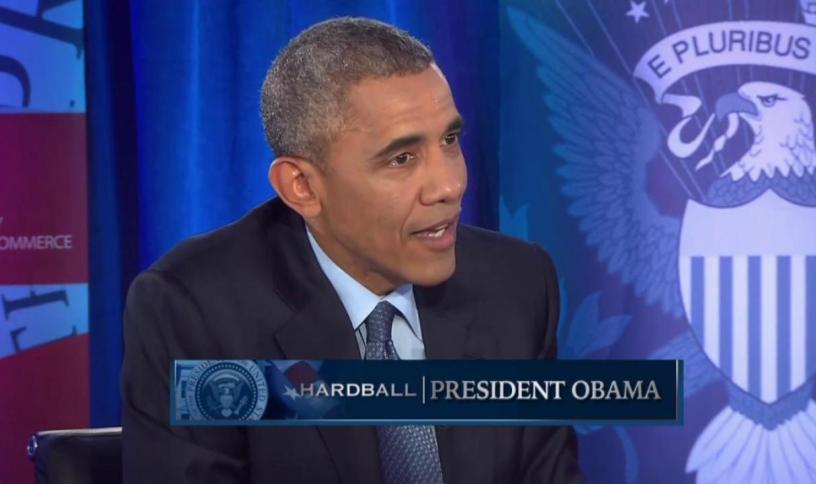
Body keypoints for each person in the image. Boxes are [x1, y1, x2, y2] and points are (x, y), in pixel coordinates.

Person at [122, 17, 582, 484]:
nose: (449, 185)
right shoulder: (194, 310)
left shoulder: (516, 283)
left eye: (449, 140)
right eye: (402, 158)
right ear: (302, 187)